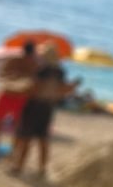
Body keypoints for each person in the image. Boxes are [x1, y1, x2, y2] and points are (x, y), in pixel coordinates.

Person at [10, 44, 79, 177]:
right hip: (48, 107)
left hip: (34, 105)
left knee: (26, 137)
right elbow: (60, 90)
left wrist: (20, 89)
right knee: (43, 139)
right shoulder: (60, 72)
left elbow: (35, 88)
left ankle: (19, 166)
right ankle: (42, 168)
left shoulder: (41, 70)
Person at [0, 40, 39, 163]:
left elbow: (2, 75)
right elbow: (34, 85)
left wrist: (14, 77)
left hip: (8, 94)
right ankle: (9, 154)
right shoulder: (33, 64)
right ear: (33, 52)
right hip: (19, 97)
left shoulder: (14, 61)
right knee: (16, 127)